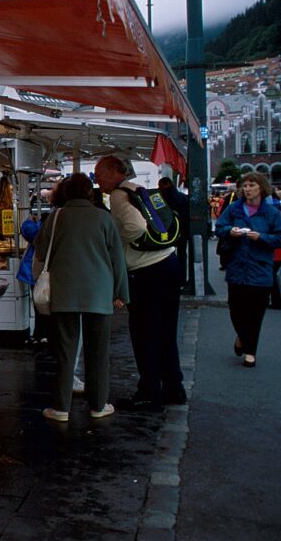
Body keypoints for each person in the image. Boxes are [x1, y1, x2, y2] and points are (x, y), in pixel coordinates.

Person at [32, 174, 128, 422]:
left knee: (66, 350)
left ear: (65, 193)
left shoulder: (56, 217)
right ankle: (98, 405)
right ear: (89, 193)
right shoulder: (103, 218)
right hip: (100, 292)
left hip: (65, 292)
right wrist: (120, 293)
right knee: (98, 352)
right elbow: (117, 259)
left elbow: (41, 251)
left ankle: (61, 408)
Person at [94, 155, 185, 411]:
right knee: (166, 331)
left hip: (148, 272)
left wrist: (115, 241)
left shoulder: (118, 195)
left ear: (114, 172)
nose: (98, 181)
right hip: (169, 263)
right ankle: (174, 388)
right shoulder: (138, 189)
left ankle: (149, 392)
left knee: (145, 333)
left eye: (100, 176)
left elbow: (134, 227)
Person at [214, 172, 281, 368]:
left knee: (255, 312)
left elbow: (278, 238)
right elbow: (220, 227)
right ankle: (242, 336)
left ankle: (250, 352)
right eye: (245, 185)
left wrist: (261, 237)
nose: (248, 189)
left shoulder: (272, 213)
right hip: (237, 267)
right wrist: (230, 231)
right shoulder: (235, 209)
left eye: (252, 185)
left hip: (260, 269)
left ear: (261, 187)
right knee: (235, 309)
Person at [157, 177, 190, 288]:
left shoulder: (161, 199)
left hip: (166, 232)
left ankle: (169, 280)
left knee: (166, 254)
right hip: (182, 232)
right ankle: (181, 280)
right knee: (182, 255)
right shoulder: (182, 197)